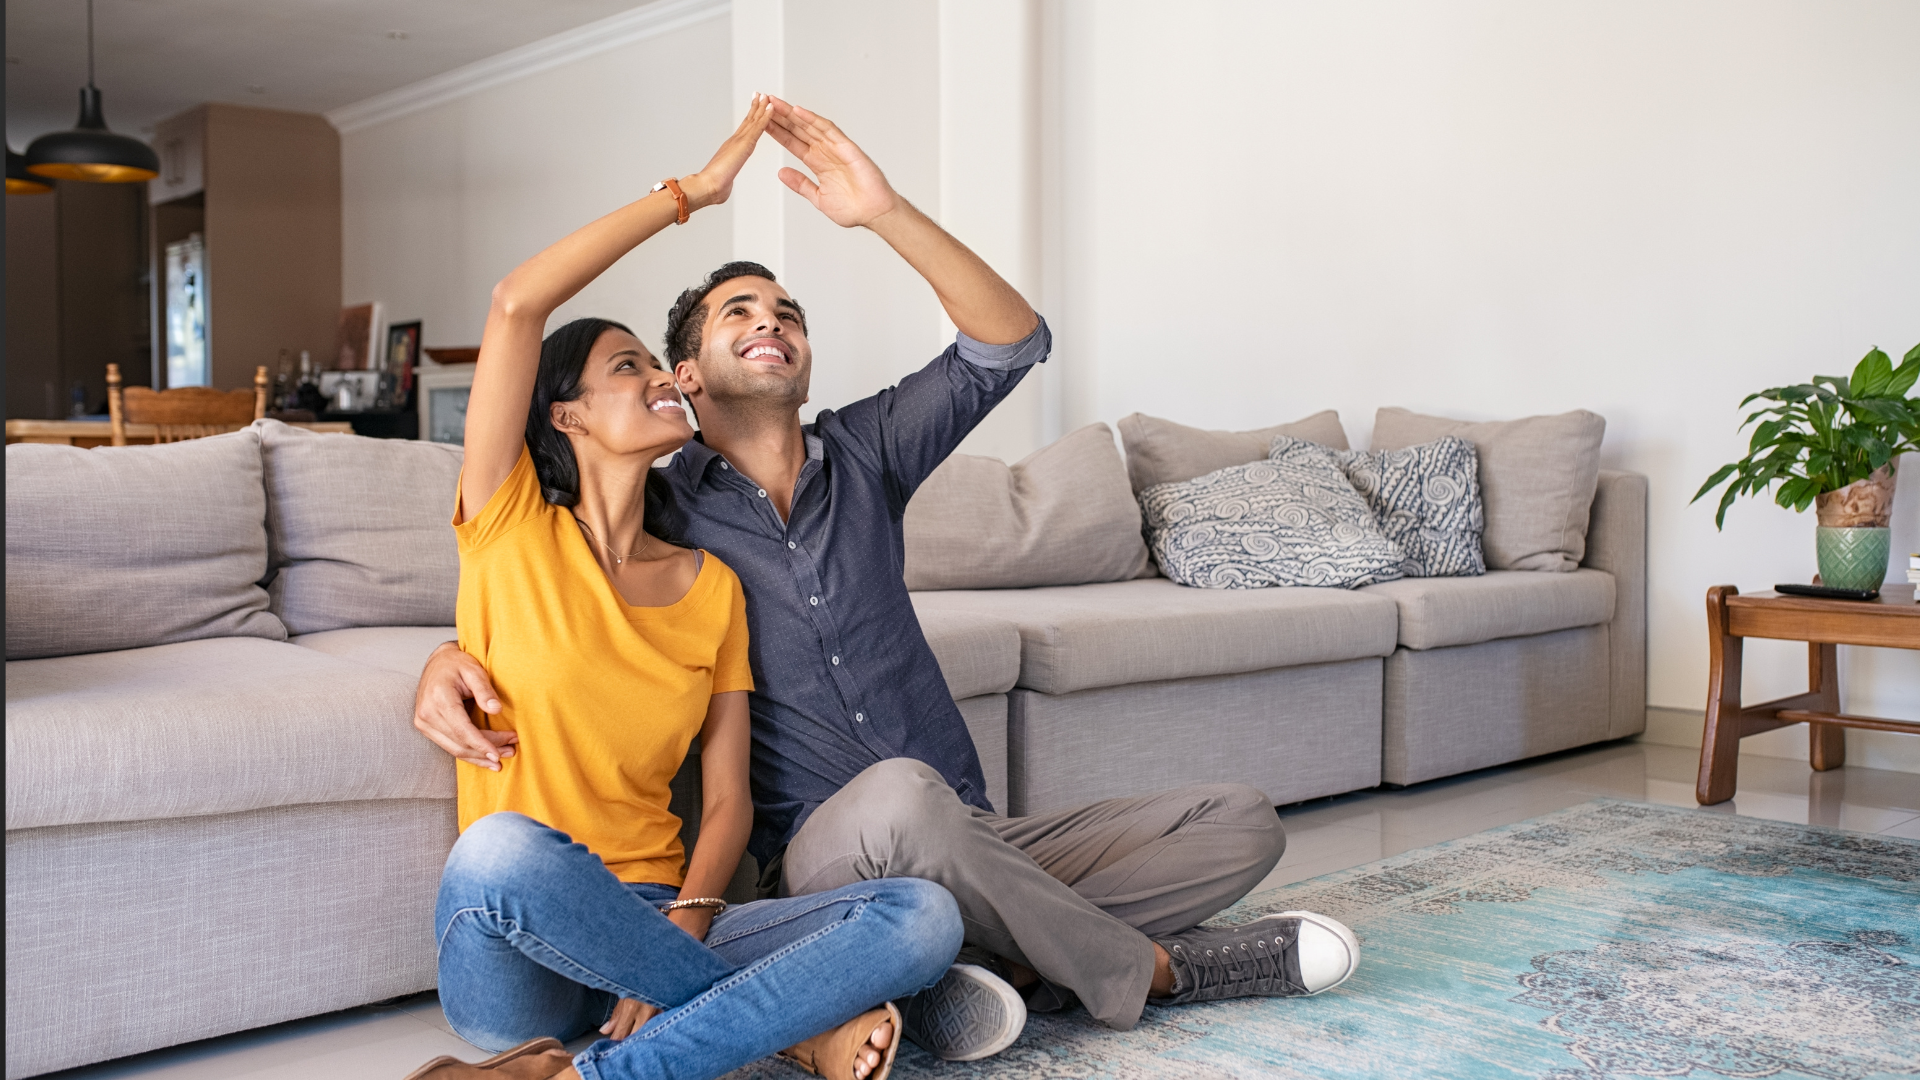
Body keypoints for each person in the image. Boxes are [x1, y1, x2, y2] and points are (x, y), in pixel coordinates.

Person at [414, 95, 1360, 1066]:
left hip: (956, 833)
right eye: (737, 312)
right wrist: (444, 653)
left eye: (786, 312)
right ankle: (1146, 972)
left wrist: (884, 211)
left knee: (1238, 823)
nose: (769, 320)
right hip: (828, 855)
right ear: (685, 379)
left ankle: (988, 961)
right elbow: (537, 552)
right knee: (892, 804)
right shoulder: (660, 509)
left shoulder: (852, 463)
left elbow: (1009, 342)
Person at [403, 96, 961, 1080]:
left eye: (662, 366)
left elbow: (729, 801)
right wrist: (691, 195)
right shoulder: (508, 524)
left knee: (922, 917)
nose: (664, 379)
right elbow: (517, 305)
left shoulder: (710, 584)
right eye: (630, 368)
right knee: (497, 852)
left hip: (668, 915)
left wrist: (692, 920)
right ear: (567, 416)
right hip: (520, 947)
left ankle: (590, 1073)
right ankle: (789, 1031)